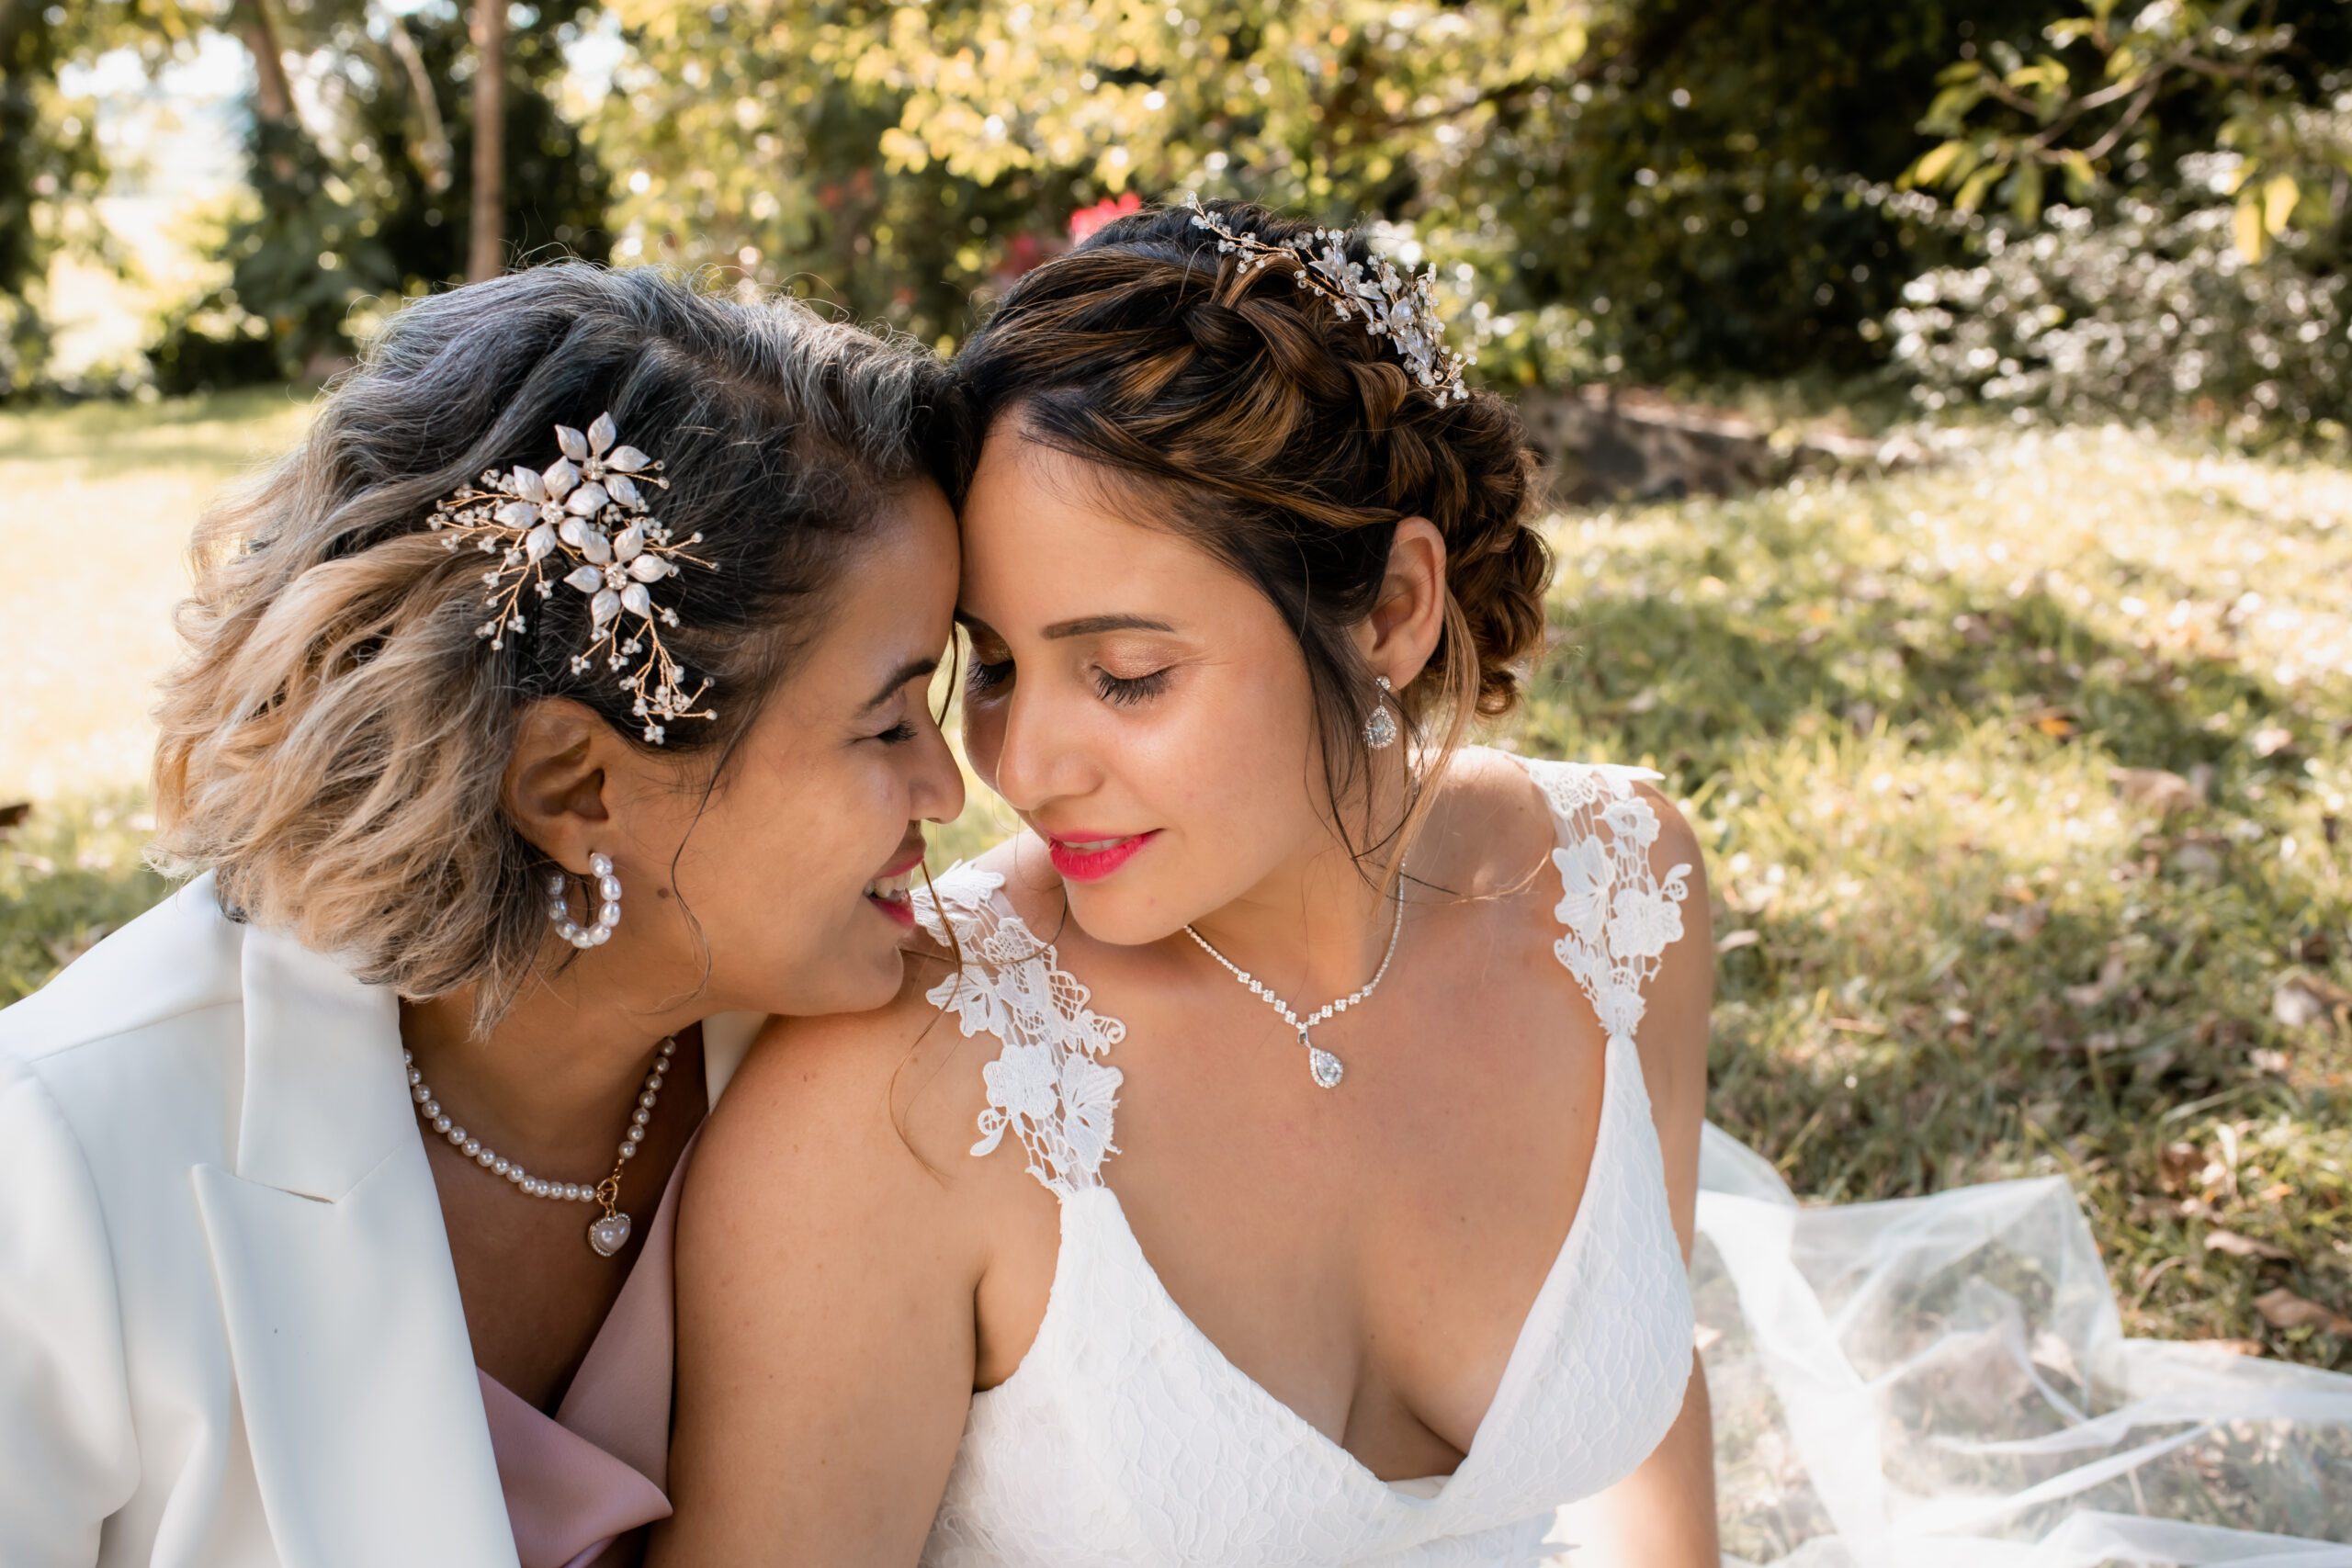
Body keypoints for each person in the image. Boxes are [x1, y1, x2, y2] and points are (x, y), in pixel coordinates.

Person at [659, 200, 1720, 1564]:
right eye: (990, 664)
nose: (1020, 766)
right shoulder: (901, 1083)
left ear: (1393, 610)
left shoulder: (1625, 893)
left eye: (1127, 675)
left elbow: (1657, 1386)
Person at [0, 264, 967, 1568]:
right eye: (886, 722)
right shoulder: (64, 1167)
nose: (948, 789)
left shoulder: (889, 1071)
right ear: (572, 786)